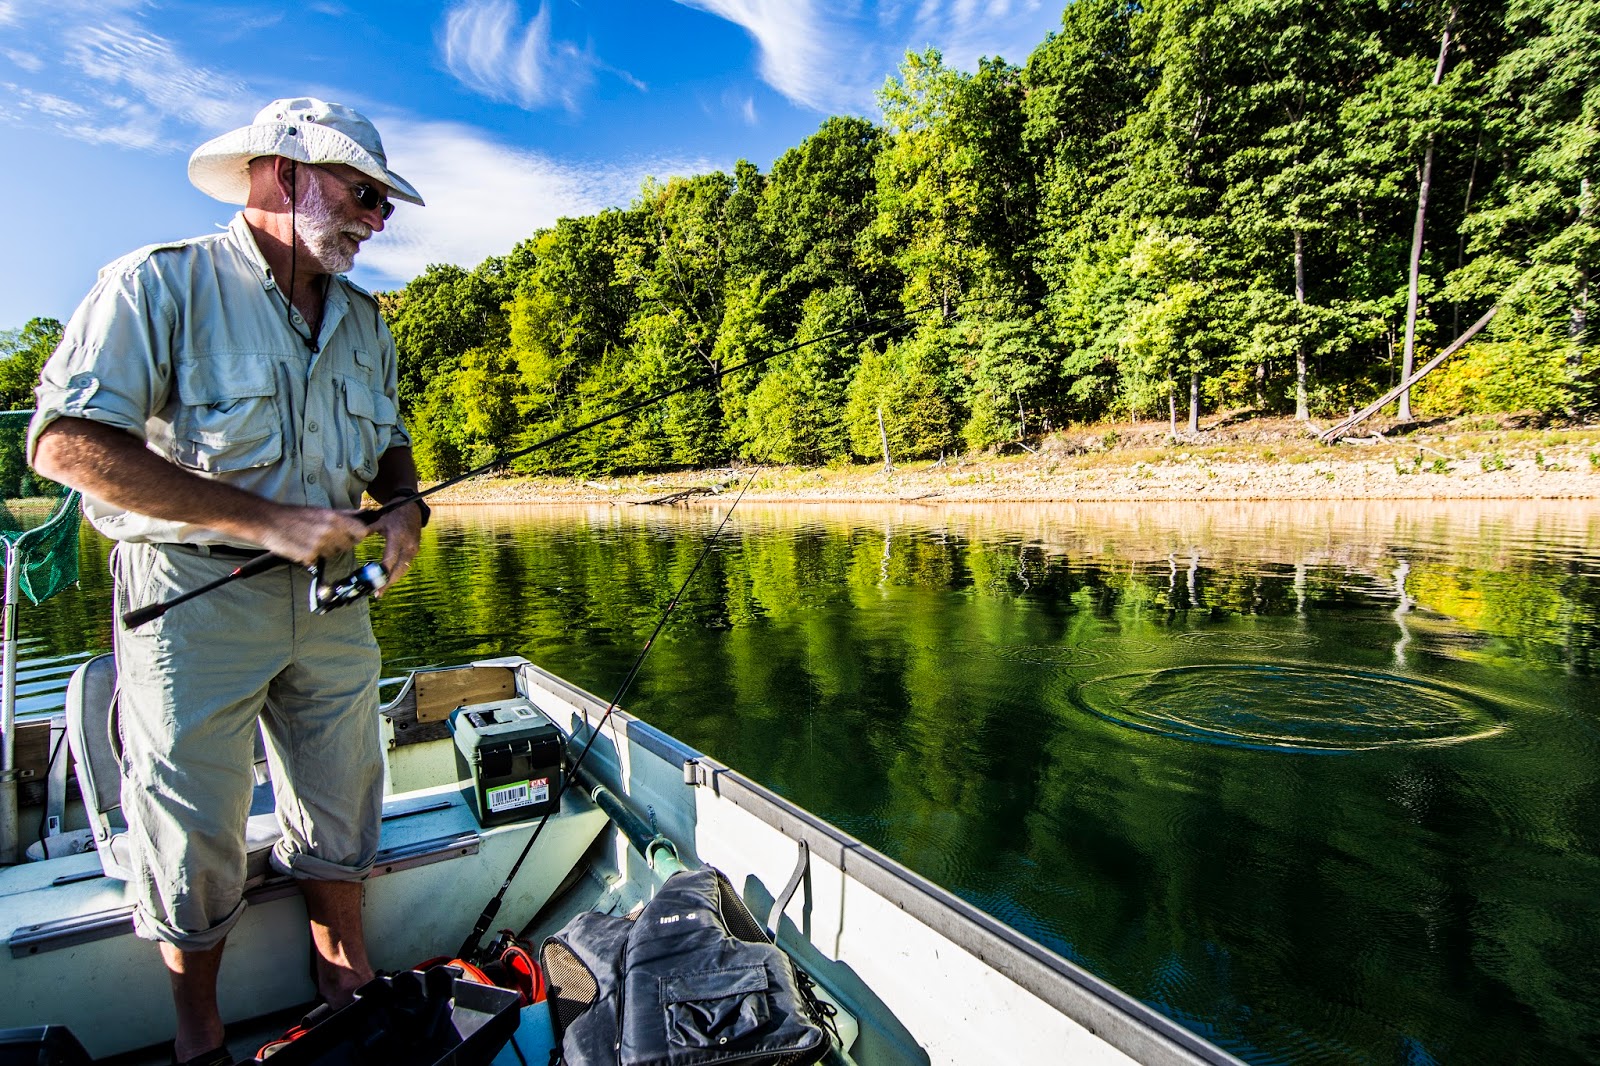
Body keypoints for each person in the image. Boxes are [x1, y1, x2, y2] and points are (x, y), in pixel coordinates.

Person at [28, 98, 429, 1066]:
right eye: (363, 193)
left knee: (347, 796)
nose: (379, 218)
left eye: (384, 202)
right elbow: (67, 444)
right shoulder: (155, 284)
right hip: (188, 594)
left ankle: (345, 978)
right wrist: (267, 521)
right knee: (191, 816)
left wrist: (406, 508)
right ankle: (197, 1030)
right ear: (281, 174)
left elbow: (390, 445)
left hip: (333, 597)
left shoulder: (367, 319)